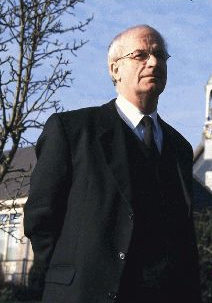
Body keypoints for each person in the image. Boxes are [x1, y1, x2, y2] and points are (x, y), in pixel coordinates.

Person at [23, 25, 201, 303]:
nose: (153, 62)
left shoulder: (179, 147)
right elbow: (40, 217)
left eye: (159, 55)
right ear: (114, 69)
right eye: (140, 55)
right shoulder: (73, 130)